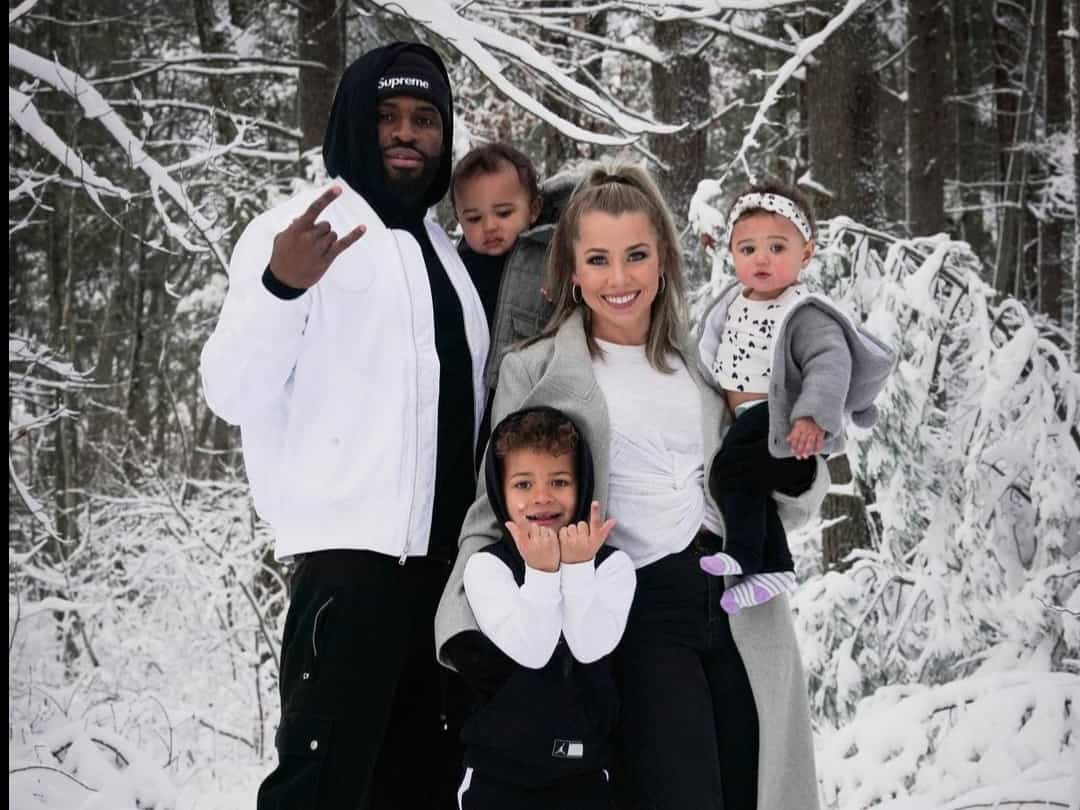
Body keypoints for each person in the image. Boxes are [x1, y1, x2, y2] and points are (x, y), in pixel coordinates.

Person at [435, 163, 830, 810]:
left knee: (752, 785)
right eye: (598, 259)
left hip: (738, 606)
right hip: (638, 610)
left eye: (637, 256)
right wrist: (463, 627)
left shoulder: (707, 362)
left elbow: (790, 493)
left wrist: (797, 459)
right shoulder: (535, 370)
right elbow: (491, 510)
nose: (619, 279)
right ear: (570, 271)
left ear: (665, 261)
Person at [200, 42, 488, 810]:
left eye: (424, 118)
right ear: (353, 125)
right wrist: (279, 287)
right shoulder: (291, 233)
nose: (405, 133)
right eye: (386, 115)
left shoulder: (448, 257)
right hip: (349, 572)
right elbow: (231, 391)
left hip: (448, 577)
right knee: (322, 788)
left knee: (424, 787)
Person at [697, 182, 896, 614]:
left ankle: (746, 555)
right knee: (741, 479)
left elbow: (830, 364)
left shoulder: (803, 310)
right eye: (747, 248)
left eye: (776, 246)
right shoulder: (731, 301)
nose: (761, 258)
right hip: (746, 426)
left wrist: (812, 416)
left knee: (728, 472)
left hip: (784, 422)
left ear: (805, 253)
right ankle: (776, 568)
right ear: (731, 253)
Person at [443, 406, 635, 809]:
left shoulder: (613, 566)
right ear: (500, 491)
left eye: (559, 481)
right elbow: (533, 649)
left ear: (582, 487)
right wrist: (543, 573)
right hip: (498, 772)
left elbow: (590, 645)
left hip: (582, 771)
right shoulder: (486, 566)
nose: (542, 497)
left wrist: (579, 569)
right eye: (523, 484)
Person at [449, 142, 578, 468]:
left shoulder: (550, 255)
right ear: (458, 219)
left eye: (504, 213)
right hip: (470, 401)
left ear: (533, 209)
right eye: (474, 217)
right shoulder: (455, 265)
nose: (489, 226)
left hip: (528, 399)